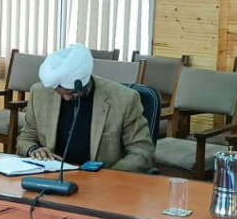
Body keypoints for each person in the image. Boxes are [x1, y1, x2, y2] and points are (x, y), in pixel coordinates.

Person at [16, 43, 154, 173]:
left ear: (84, 81)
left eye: (72, 93)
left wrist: (109, 177)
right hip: (52, 175)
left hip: (101, 180)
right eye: (60, 93)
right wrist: (33, 149)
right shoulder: (40, 93)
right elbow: (25, 138)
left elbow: (142, 152)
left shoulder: (124, 99)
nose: (67, 98)